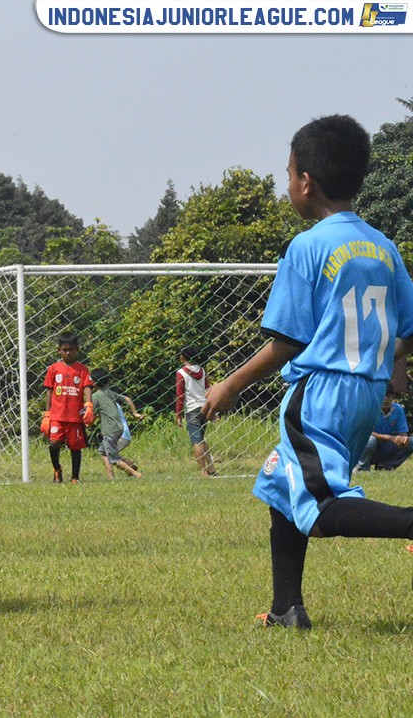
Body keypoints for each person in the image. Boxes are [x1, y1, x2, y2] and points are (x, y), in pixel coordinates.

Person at [202, 114, 413, 630]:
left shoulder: (308, 246)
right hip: (363, 394)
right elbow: (407, 327)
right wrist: (393, 368)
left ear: (305, 182)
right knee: (280, 483)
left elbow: (287, 342)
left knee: (320, 507)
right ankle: (286, 609)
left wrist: (229, 385)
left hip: (318, 393)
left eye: (288, 172)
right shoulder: (382, 247)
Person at [41, 333, 94, 483]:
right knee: (54, 443)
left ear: (77, 350)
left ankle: (75, 477)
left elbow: (87, 388)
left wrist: (88, 405)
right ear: (59, 350)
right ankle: (57, 470)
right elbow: (49, 391)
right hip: (57, 416)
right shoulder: (53, 369)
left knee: (75, 447)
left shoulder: (82, 369)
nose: (68, 352)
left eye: (71, 349)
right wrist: (47, 414)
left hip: (75, 417)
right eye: (64, 350)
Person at [89, 369, 143, 479]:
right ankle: (111, 477)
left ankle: (135, 474)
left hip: (110, 429)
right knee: (103, 451)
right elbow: (127, 399)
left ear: (93, 382)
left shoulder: (95, 397)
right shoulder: (110, 392)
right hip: (119, 427)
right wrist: (135, 413)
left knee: (113, 459)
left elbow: (92, 415)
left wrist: (87, 423)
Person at [175, 345, 216, 477]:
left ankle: (203, 472)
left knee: (196, 441)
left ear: (182, 358)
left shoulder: (181, 373)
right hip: (204, 407)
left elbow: (180, 396)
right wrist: (213, 409)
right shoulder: (202, 371)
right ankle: (211, 468)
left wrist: (178, 415)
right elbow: (208, 390)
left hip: (192, 409)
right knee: (202, 438)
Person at [355, 384, 413, 472]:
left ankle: (385, 467)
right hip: (363, 449)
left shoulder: (398, 409)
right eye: (383, 394)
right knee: (371, 440)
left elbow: (403, 432)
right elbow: (365, 431)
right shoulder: (369, 408)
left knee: (411, 441)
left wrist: (403, 439)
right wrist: (391, 438)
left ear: (393, 397)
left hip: (384, 447)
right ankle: (362, 468)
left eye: (389, 395)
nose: (386, 398)